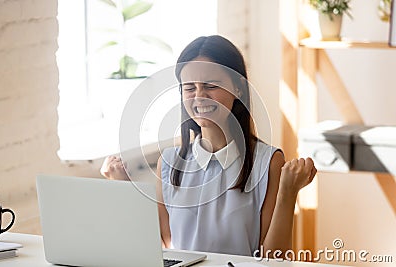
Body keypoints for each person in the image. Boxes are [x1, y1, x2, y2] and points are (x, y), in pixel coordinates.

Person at [101, 35, 317, 257]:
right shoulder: (169, 162)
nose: (200, 97)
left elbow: (274, 259)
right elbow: (165, 242)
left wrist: (288, 193)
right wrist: (124, 187)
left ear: (239, 88)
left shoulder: (267, 162)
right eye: (189, 88)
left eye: (210, 86)